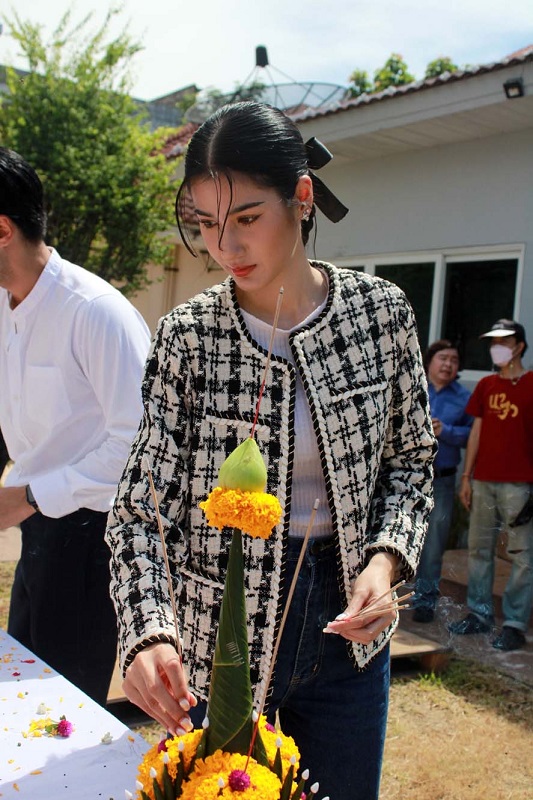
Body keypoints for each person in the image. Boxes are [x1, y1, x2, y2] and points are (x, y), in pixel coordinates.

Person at [106, 101, 435, 800]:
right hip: (215, 631)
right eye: (205, 223)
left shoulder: (380, 317)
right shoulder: (189, 337)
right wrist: (147, 632)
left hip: (348, 632)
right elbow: (139, 510)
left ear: (301, 196)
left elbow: (409, 463)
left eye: (247, 217)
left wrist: (384, 560)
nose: (225, 246)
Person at [0, 147, 151, 705]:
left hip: (93, 543)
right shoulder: (5, 305)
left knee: (65, 713)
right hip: (37, 531)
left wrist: (26, 496)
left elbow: (139, 446)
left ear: (2, 230)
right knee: (21, 702)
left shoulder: (96, 311)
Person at [451, 319, 533, 651]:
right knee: (479, 549)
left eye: (503, 342)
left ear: (519, 347)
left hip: (520, 484)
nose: (496, 348)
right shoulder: (486, 385)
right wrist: (467, 477)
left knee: (523, 555)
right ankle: (479, 613)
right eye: (493, 343)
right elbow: (477, 432)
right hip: (483, 480)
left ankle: (514, 623)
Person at [412, 340, 472, 622]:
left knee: (433, 545)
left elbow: (473, 435)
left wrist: (445, 430)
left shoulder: (464, 397)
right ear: (430, 361)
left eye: (454, 360)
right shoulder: (413, 386)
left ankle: (424, 601)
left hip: (442, 481)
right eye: (443, 358)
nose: (448, 364)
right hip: (410, 476)